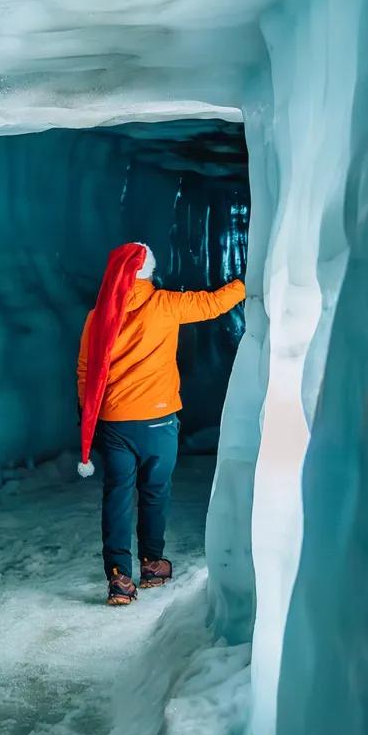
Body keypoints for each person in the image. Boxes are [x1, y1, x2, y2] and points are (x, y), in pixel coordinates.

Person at [76, 242, 246, 606]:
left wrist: (87, 413)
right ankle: (153, 564)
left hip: (114, 422)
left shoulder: (98, 316)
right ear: (148, 272)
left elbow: (85, 373)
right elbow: (213, 303)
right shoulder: (165, 304)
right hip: (157, 420)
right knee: (154, 491)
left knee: (118, 496)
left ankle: (119, 579)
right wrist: (246, 283)